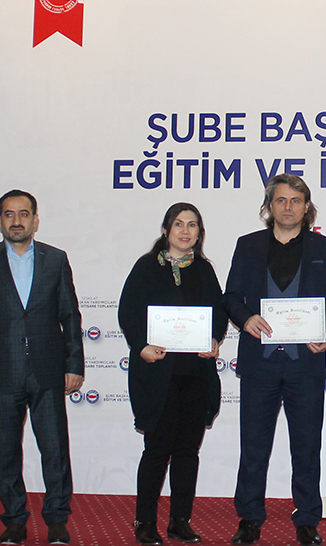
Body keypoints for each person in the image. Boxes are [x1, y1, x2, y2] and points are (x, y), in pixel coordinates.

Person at [223, 176, 326, 546]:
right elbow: (231, 296)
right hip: (259, 364)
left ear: (307, 207)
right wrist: (245, 318)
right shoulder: (248, 245)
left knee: (306, 447)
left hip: (305, 365)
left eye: (295, 200)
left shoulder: (325, 248)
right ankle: (249, 517)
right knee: (253, 446)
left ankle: (307, 519)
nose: (288, 207)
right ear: (269, 206)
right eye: (280, 200)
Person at [0, 190, 84, 546]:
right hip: (1, 372)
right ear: (0, 220)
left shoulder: (55, 259)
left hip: (48, 371)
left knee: (55, 450)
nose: (16, 221)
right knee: (6, 453)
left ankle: (57, 519)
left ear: (35, 219)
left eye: (24, 214)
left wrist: (74, 363)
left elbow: (70, 316)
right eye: (9, 214)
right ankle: (14, 520)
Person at [118, 202, 228, 546]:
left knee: (187, 452)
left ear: (199, 233)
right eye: (178, 224)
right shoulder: (146, 267)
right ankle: (145, 522)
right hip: (158, 376)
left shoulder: (205, 270)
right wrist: (141, 345)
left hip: (195, 375)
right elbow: (128, 312)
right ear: (166, 230)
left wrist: (214, 338)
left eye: (192, 225)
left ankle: (180, 521)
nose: (185, 231)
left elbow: (219, 313)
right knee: (156, 451)